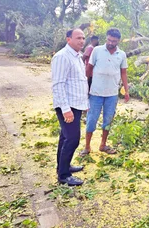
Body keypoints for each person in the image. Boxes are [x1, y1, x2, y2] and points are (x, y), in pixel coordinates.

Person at [81, 28, 129, 156]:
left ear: (118, 41)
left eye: (113, 41)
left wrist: (126, 90)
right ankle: (87, 147)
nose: (110, 43)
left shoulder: (121, 54)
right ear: (106, 38)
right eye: (109, 40)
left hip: (112, 94)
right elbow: (89, 69)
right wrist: (85, 87)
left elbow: (123, 72)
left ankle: (103, 144)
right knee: (91, 120)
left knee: (108, 120)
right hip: (95, 93)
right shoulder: (97, 51)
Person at [51, 29, 88, 186]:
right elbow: (58, 85)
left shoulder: (77, 56)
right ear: (68, 39)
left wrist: (84, 104)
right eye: (78, 38)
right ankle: (64, 176)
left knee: (65, 137)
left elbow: (78, 82)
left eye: (83, 38)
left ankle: (63, 167)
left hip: (76, 104)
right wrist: (66, 109)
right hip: (68, 106)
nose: (81, 40)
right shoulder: (62, 57)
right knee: (72, 139)